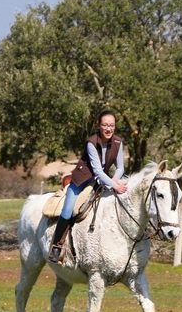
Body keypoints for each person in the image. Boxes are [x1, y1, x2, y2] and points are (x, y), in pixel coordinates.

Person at [48, 110, 128, 263]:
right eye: (105, 125)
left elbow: (120, 168)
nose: (108, 129)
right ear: (99, 126)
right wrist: (114, 185)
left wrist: (116, 181)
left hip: (103, 180)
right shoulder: (91, 142)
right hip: (82, 180)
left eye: (111, 125)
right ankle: (56, 246)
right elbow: (97, 170)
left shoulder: (118, 142)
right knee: (68, 209)